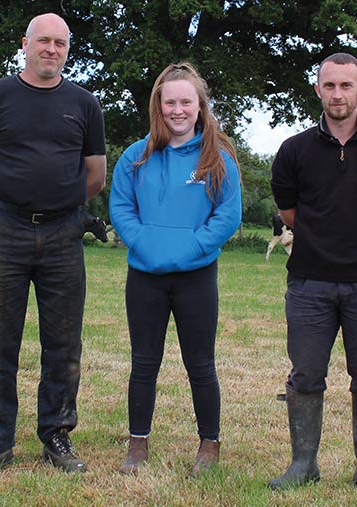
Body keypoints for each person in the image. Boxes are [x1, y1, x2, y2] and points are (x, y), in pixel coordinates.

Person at [0, 12, 106, 476]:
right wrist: (7, 213)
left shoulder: (85, 104)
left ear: (68, 49)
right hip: (5, 230)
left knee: (63, 344)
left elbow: (95, 176)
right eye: (43, 40)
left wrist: (55, 207)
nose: (51, 49)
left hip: (64, 235)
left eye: (60, 43)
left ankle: (56, 437)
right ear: (25, 44)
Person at [268, 52, 357, 495]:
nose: (337, 94)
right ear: (318, 90)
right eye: (329, 85)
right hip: (310, 282)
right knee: (306, 375)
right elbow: (287, 210)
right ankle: (303, 464)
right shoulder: (295, 150)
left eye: (346, 86)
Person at [109, 62, 242, 477]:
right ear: (159, 106)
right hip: (145, 275)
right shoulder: (136, 156)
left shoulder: (218, 159)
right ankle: (137, 444)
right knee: (143, 362)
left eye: (187, 101)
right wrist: (146, 243)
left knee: (200, 364)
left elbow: (228, 216)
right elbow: (120, 208)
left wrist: (192, 246)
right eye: (171, 102)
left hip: (196, 277)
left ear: (200, 106)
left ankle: (209, 445)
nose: (178, 109)